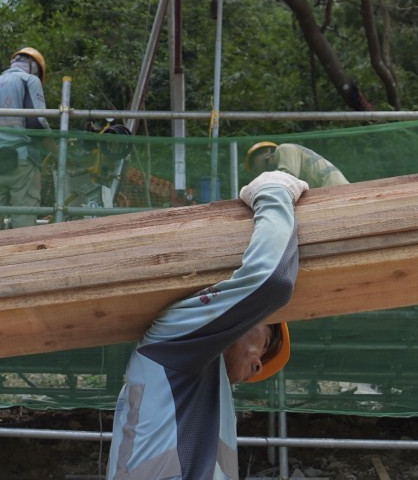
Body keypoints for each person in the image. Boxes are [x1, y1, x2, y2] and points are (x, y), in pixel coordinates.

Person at [107, 170, 309, 480]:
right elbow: (272, 281)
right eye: (265, 345)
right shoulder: (174, 341)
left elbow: (270, 285)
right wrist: (273, 191)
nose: (258, 366)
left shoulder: (181, 365)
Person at [0, 47, 52, 232]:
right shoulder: (29, 80)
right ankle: (24, 260)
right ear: (35, 67)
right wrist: (57, 151)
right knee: (24, 224)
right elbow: (37, 123)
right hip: (21, 162)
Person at [245, 141, 350, 188]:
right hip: (329, 191)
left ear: (266, 152)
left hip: (336, 189)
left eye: (253, 164)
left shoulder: (284, 149)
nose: (255, 171)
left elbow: (287, 179)